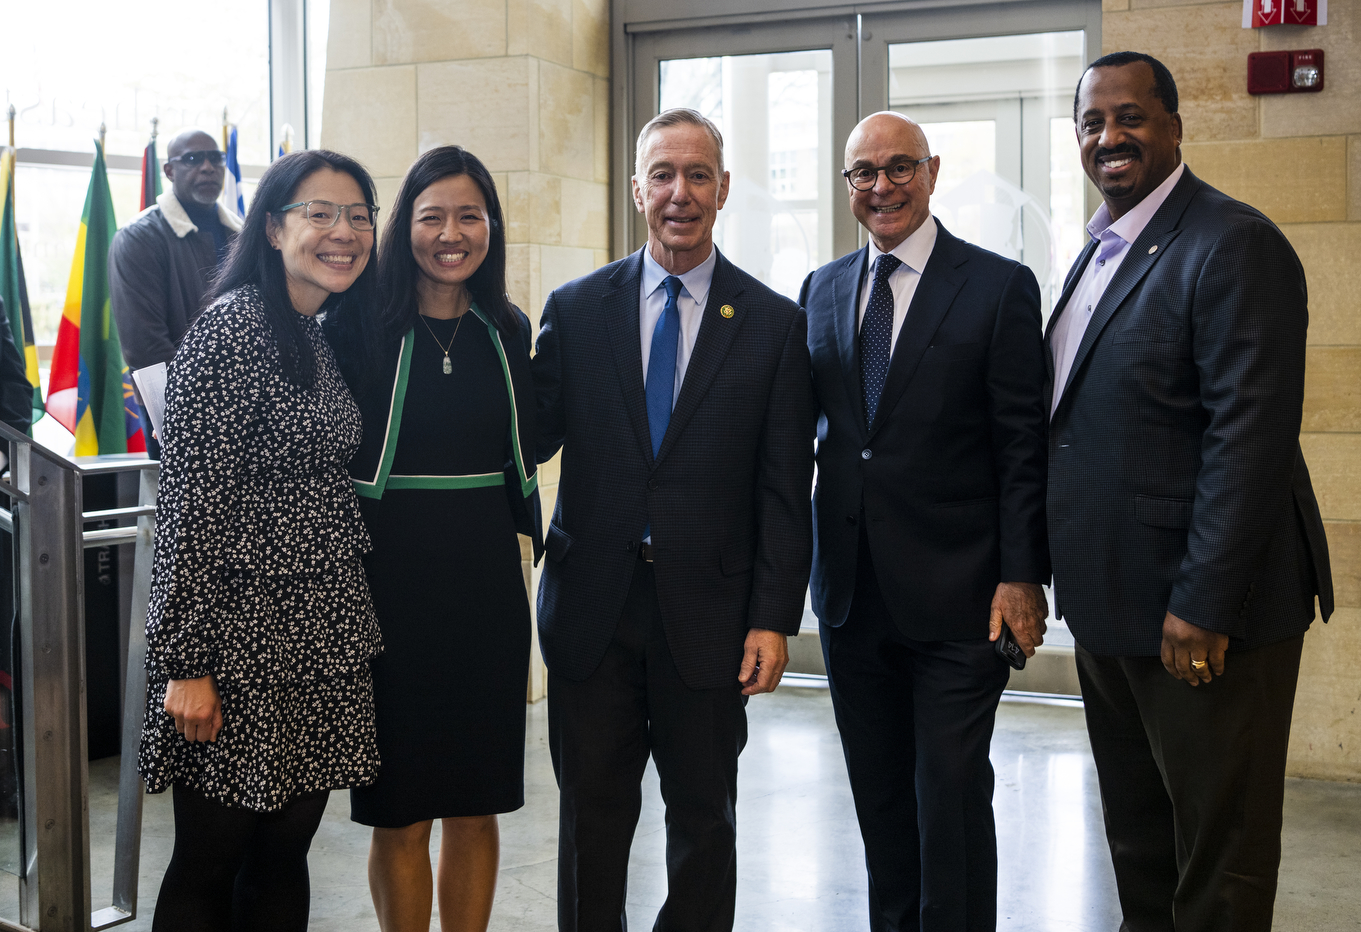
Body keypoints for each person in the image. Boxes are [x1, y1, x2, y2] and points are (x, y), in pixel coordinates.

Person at [1047, 52, 1333, 932]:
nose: (1110, 137)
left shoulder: (1233, 243)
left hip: (1202, 620)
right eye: (1093, 123)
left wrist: (1202, 604)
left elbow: (1248, 438)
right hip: (1112, 609)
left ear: (1174, 126)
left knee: (1221, 863)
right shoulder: (1099, 253)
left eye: (1130, 117)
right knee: (1140, 848)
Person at [531, 107, 813, 932]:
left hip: (712, 617)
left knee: (704, 820)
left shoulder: (772, 325)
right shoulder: (576, 310)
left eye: (697, 176)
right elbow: (526, 433)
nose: (679, 193)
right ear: (637, 189)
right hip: (593, 610)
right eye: (663, 175)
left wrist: (771, 620)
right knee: (592, 820)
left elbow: (785, 492)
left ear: (722, 190)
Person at [800, 112, 1050, 932]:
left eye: (899, 167)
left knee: (947, 793)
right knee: (878, 801)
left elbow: (1022, 447)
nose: (881, 187)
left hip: (961, 597)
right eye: (862, 173)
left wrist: (1023, 576)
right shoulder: (823, 288)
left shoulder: (998, 286)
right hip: (850, 598)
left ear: (933, 171)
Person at [138, 149, 384, 932]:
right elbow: (189, 507)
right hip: (236, 645)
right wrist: (187, 665)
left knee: (281, 857)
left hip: (312, 639)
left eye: (357, 216)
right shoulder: (232, 330)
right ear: (274, 227)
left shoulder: (309, 330)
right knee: (210, 865)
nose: (342, 232)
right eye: (320, 213)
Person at [324, 146, 541, 932]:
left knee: (478, 807)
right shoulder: (355, 324)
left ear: (492, 227)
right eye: (432, 217)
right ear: (401, 228)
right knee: (403, 811)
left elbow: (537, 434)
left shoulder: (506, 327)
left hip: (485, 586)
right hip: (387, 586)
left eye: (470, 216)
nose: (452, 233)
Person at [109, 129, 243, 455]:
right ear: (169, 171)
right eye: (194, 159)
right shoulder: (139, 238)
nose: (208, 167)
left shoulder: (243, 234)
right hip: (179, 415)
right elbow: (147, 349)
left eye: (216, 158)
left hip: (245, 412)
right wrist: (201, 416)